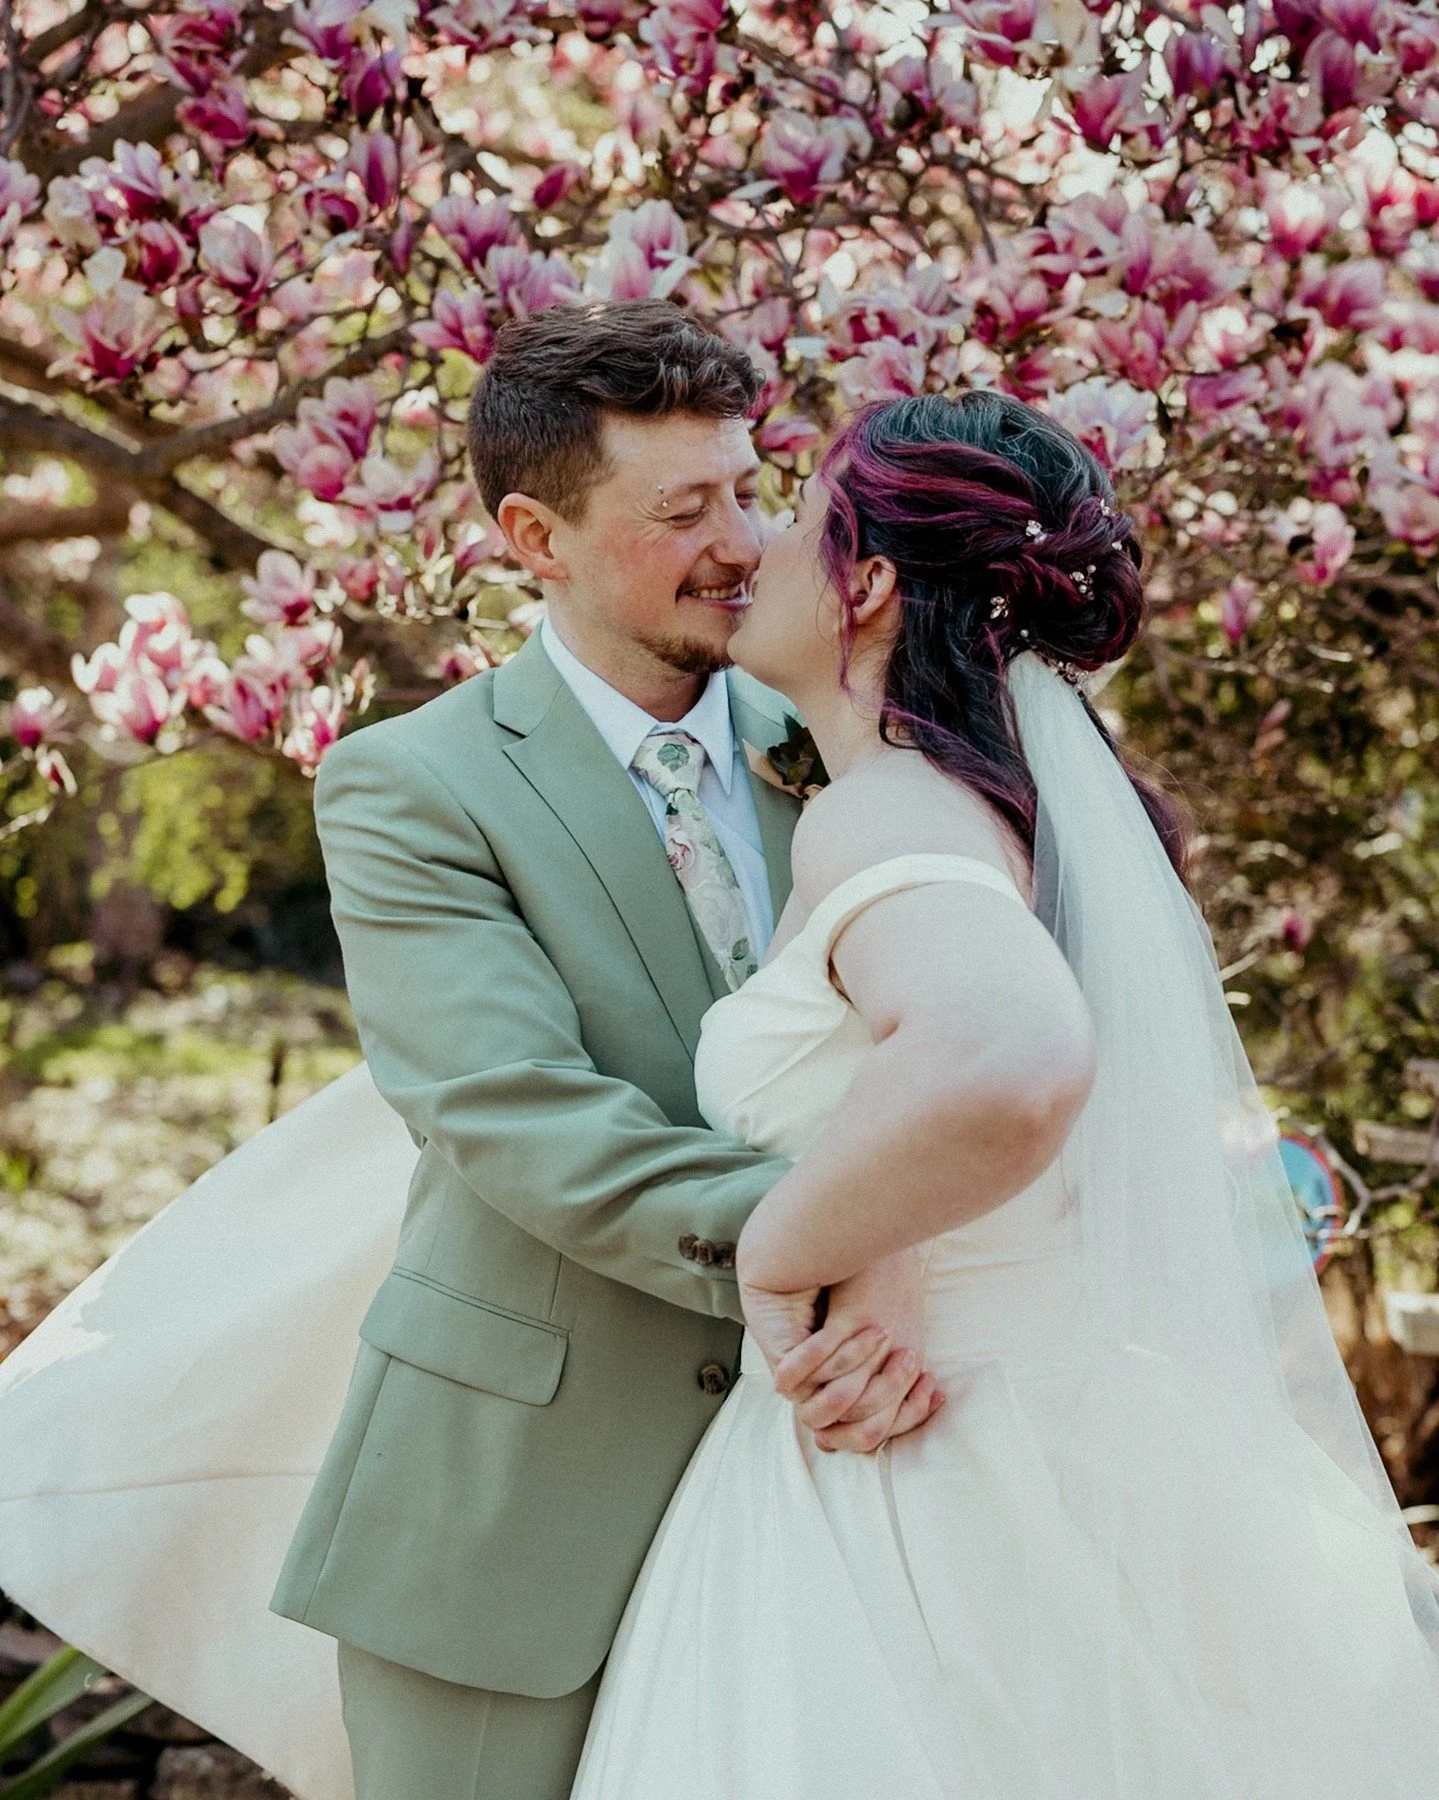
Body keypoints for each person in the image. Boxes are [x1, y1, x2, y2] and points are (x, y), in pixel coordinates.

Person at [0, 300, 935, 1800]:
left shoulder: (849, 739)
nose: (743, 542)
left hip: (848, 1477)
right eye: (682, 509)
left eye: (748, 490)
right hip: (515, 1519)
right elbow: (513, 1113)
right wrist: (832, 1252)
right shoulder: (410, 788)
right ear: (530, 536)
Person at [567, 390, 1439, 1799]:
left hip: (914, 1476)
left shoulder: (884, 810)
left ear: (867, 586)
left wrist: (791, 1252)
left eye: (797, 515)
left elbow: (1005, 1057)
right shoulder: (1006, 811)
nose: (755, 549)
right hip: (1053, 1435)